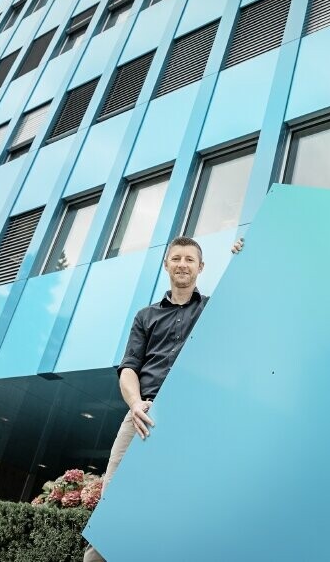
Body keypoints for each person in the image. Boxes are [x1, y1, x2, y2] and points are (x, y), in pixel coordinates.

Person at [83, 236, 209, 562]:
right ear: (166, 264)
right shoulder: (145, 316)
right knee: (114, 501)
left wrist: (242, 254)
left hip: (192, 417)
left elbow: (249, 296)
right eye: (176, 258)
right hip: (143, 412)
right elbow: (129, 369)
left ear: (200, 267)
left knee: (179, 506)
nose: (182, 264)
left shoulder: (213, 309)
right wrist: (135, 403)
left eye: (189, 259)